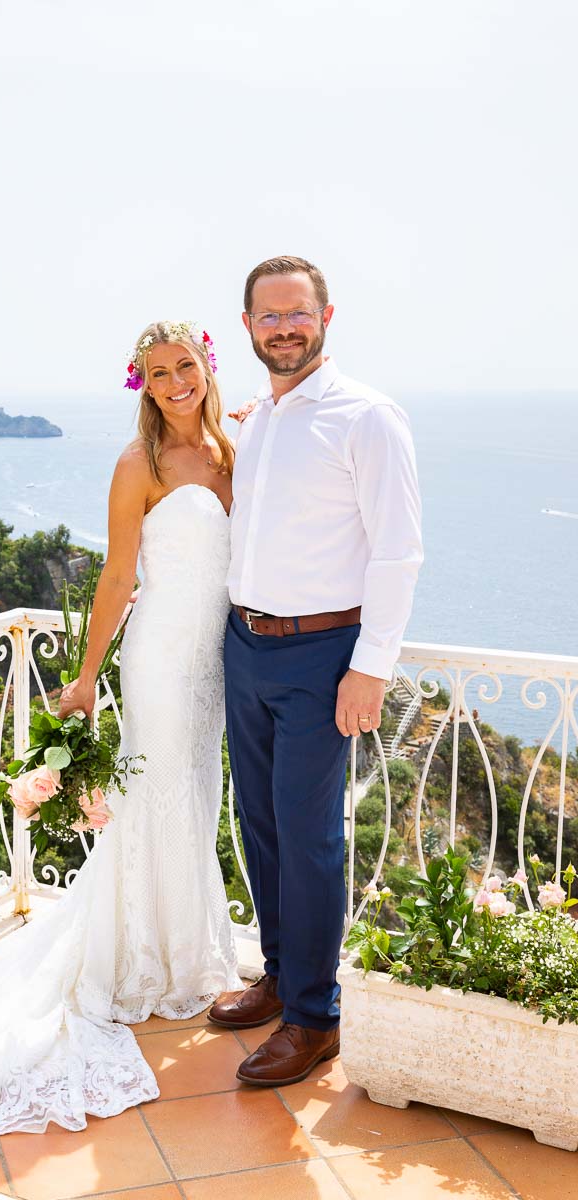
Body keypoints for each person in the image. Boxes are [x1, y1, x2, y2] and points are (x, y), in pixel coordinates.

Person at [0, 320, 240, 1133]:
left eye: (186, 366)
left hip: (216, 663)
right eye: (159, 372)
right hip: (161, 661)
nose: (176, 382)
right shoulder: (139, 464)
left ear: (208, 367)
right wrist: (88, 675)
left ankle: (188, 954)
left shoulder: (234, 450)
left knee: (194, 796)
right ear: (142, 382)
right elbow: (118, 575)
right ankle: (138, 962)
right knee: (154, 797)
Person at [209, 256, 423, 1086]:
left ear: (326, 317)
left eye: (298, 314)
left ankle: (314, 1017)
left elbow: (399, 553)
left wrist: (370, 666)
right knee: (259, 821)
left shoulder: (368, 417)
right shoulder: (260, 418)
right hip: (246, 644)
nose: (284, 328)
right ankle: (278, 974)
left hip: (322, 655)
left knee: (309, 838)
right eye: (269, 316)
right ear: (249, 326)